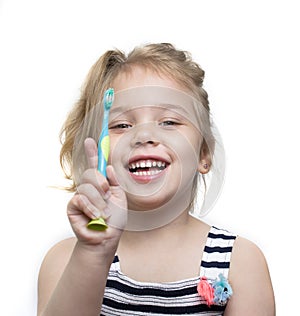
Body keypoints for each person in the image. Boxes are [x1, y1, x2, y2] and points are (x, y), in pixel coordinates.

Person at [37, 43, 275, 315]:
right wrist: (93, 254)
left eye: (170, 122)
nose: (144, 135)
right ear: (99, 152)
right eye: (122, 125)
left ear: (204, 154)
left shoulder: (239, 262)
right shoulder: (66, 260)